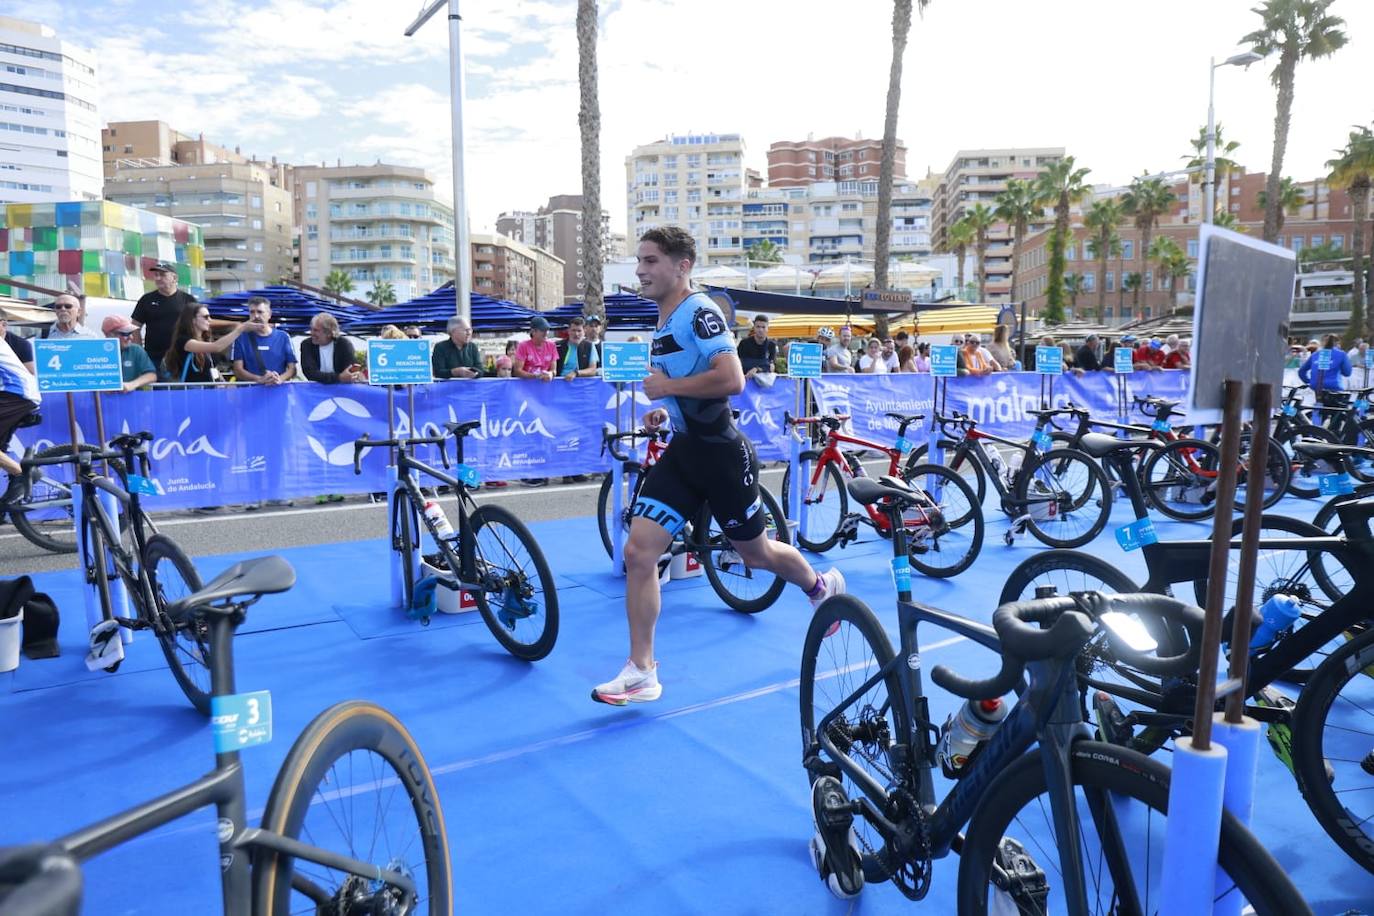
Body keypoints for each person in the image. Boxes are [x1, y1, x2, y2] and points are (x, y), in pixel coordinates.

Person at [591, 226, 844, 707]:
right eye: (639, 261)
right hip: (685, 453)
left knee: (756, 554)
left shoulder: (699, 312)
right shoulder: (665, 320)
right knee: (639, 554)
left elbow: (731, 379)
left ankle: (819, 586)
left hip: (724, 458)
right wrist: (668, 409)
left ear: (681, 266)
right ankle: (641, 669)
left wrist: (667, 390)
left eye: (650, 261)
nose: (641, 271)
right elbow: (692, 382)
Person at [163, 305, 260, 384]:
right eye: (205, 317)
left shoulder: (205, 339)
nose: (210, 320)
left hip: (207, 392)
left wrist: (223, 383)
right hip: (191, 394)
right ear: (193, 320)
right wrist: (240, 329)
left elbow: (212, 368)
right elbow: (217, 347)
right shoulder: (183, 341)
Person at [131, 262, 195, 368]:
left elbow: (199, 324)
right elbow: (135, 326)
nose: (158, 278)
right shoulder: (146, 300)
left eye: (163, 275)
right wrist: (139, 351)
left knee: (178, 384)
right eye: (156, 275)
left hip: (181, 355)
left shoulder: (188, 300)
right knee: (153, 384)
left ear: (174, 278)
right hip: (153, 356)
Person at [231, 297, 297, 385]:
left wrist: (279, 379)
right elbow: (238, 370)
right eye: (252, 312)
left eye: (260, 312)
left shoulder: (284, 337)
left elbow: (292, 369)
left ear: (269, 314)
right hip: (250, 393)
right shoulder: (240, 337)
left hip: (278, 390)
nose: (256, 316)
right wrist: (260, 379)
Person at [102, 315, 157, 392]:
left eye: (131, 333)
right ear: (110, 335)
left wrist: (132, 384)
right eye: (125, 334)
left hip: (133, 399)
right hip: (104, 401)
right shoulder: (99, 352)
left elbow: (152, 375)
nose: (131, 337)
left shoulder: (136, 350)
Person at [301, 313, 361, 383]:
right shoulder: (306, 345)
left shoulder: (344, 344)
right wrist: (339, 377)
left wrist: (343, 377)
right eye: (311, 329)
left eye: (316, 330)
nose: (311, 333)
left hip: (342, 390)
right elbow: (310, 373)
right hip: (316, 390)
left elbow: (350, 371)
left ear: (329, 333)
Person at [513, 316, 559, 381]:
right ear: (533, 331)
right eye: (543, 330)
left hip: (545, 385)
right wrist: (535, 376)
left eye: (547, 330)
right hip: (526, 386)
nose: (546, 333)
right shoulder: (523, 346)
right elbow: (517, 371)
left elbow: (554, 370)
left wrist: (550, 374)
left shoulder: (552, 345)